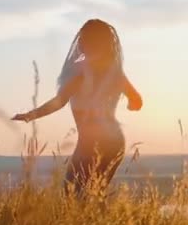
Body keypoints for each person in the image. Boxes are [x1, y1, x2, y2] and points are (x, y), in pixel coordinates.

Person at [12, 19, 143, 195]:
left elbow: (59, 101)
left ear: (86, 42)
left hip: (91, 143)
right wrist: (126, 103)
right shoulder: (115, 70)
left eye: (82, 38)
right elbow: (137, 101)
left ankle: (87, 222)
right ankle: (97, 221)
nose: (79, 42)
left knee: (72, 192)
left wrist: (30, 115)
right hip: (115, 141)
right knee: (95, 194)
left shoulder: (80, 71)